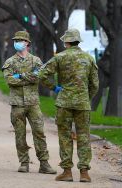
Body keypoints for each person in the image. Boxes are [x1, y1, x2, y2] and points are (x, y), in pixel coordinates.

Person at [39, 29, 99, 182]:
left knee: (65, 137)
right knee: (84, 137)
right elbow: (95, 85)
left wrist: (54, 88)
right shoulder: (89, 58)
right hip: (83, 104)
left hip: (64, 103)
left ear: (66, 42)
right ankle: (84, 173)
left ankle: (67, 172)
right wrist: (86, 97)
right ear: (78, 41)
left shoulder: (59, 57)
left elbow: (42, 74)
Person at [2, 31, 56, 174]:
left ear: (27, 43)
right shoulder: (10, 62)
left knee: (39, 132)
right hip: (17, 103)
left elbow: (39, 77)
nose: (17, 42)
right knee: (20, 134)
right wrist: (29, 76)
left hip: (33, 103)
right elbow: (9, 80)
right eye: (15, 40)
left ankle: (44, 163)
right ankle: (24, 162)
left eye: (20, 40)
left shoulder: (36, 61)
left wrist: (20, 75)